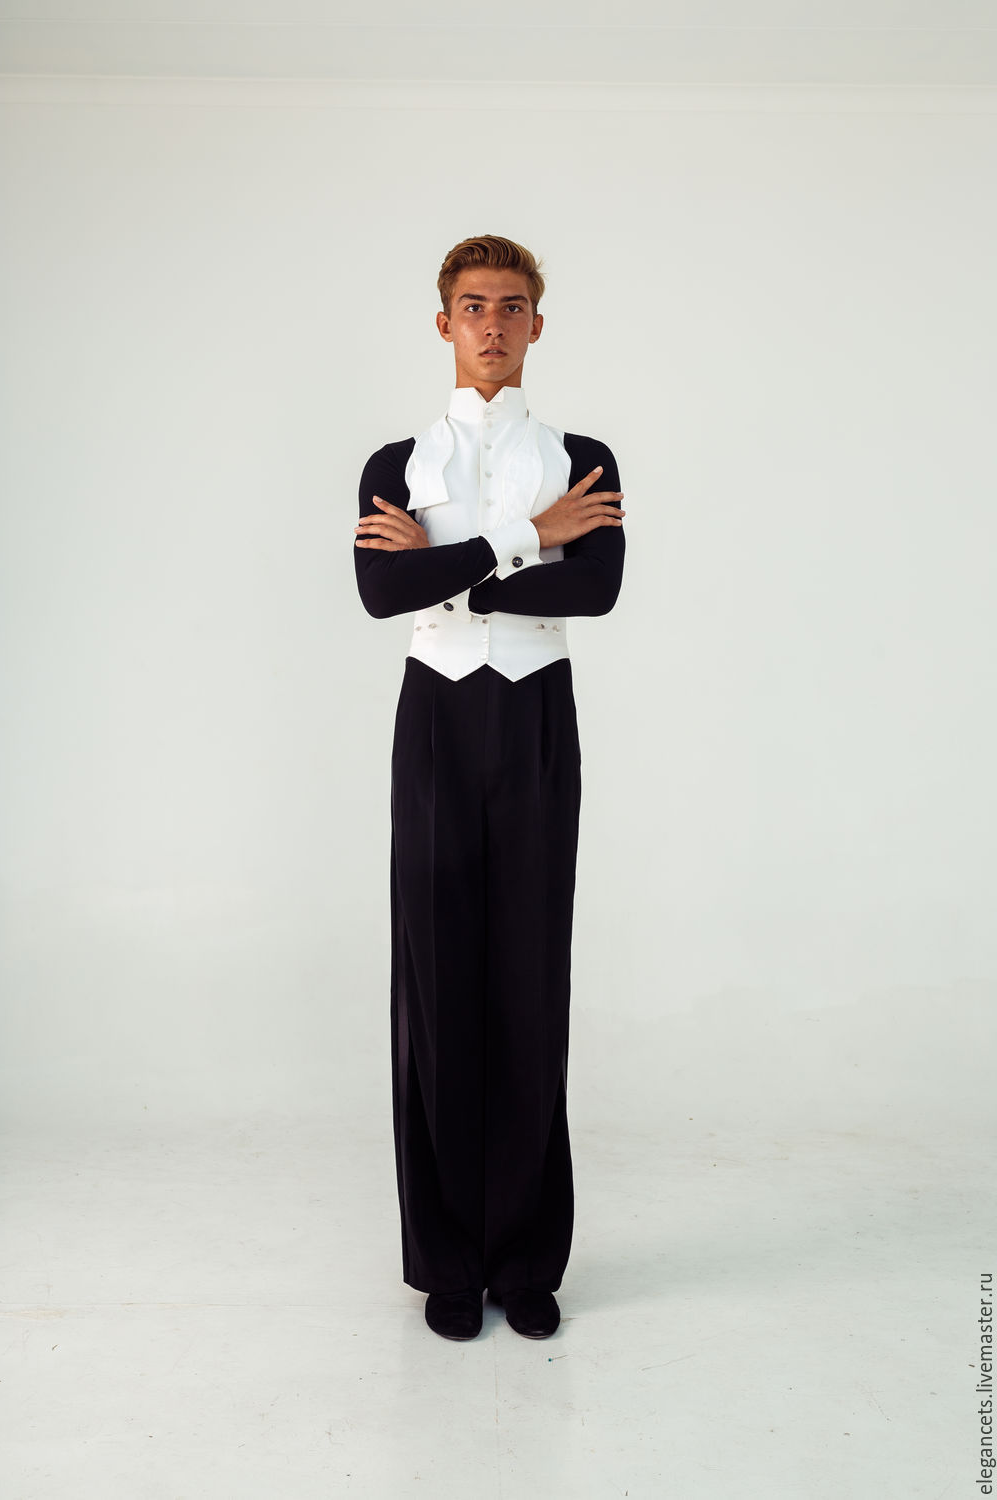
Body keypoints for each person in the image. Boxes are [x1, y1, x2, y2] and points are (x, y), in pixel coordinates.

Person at [354, 235, 625, 1341]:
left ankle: (523, 1259)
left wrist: (453, 561)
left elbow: (594, 591)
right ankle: (447, 1262)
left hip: (535, 720)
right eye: (474, 306)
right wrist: (525, 538)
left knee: (528, 982)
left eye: (512, 306)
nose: (493, 324)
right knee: (435, 986)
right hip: (434, 723)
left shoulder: (582, 457)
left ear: (537, 325)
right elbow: (382, 593)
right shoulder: (393, 462)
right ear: (444, 323)